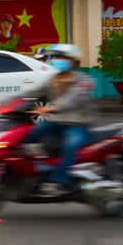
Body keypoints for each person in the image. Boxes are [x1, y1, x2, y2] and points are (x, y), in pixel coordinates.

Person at [30, 46, 96, 192]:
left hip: (77, 124)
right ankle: (31, 171)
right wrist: (6, 104)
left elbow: (73, 99)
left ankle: (59, 180)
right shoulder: (52, 79)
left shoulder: (85, 80)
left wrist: (52, 107)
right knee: (28, 134)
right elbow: (32, 92)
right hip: (55, 122)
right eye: (55, 57)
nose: (57, 61)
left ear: (74, 62)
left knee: (70, 145)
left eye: (62, 58)